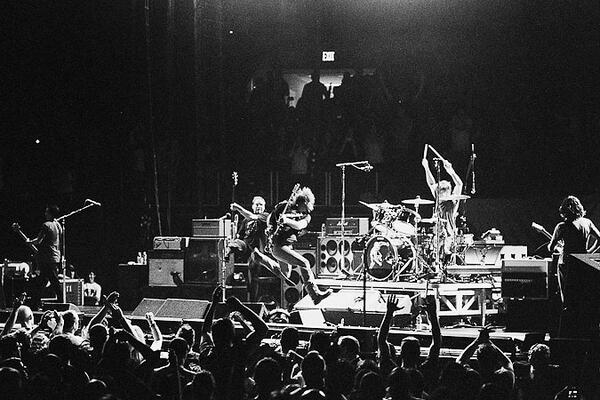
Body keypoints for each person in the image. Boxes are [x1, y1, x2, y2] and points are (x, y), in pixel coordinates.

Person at [251, 187, 332, 304]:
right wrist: (270, 228)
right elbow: (270, 218)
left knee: (285, 274)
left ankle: (261, 259)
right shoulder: (285, 206)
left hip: (287, 246)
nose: (307, 209)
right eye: (306, 205)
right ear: (302, 202)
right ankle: (315, 295)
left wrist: (286, 220)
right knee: (305, 263)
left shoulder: (306, 216)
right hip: (278, 245)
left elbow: (299, 226)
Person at [548, 195, 600, 336]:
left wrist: (560, 247)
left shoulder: (562, 226)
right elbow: (599, 239)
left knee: (567, 300)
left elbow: (551, 248)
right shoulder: (587, 223)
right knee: (582, 297)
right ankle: (583, 331)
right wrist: (590, 251)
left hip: (567, 264)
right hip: (583, 263)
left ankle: (567, 333)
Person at [422, 149, 463, 259]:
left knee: (446, 251)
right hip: (438, 231)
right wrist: (426, 167)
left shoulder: (453, 200)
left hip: (449, 233)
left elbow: (459, 184)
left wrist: (451, 171)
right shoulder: (438, 199)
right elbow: (431, 183)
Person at [230, 196, 270, 301]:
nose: (259, 206)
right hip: (246, 246)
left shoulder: (265, 216)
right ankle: (227, 255)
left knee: (253, 273)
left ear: (264, 207)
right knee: (235, 243)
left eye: (261, 204)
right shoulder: (245, 221)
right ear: (252, 206)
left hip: (257, 249)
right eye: (257, 204)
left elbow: (252, 216)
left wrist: (238, 208)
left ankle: (253, 300)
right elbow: (240, 235)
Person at [27, 205, 63, 306]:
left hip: (47, 258)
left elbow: (39, 240)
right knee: (43, 281)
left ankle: (62, 301)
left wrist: (30, 242)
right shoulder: (58, 225)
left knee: (52, 281)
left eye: (47, 212)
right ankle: (36, 302)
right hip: (55, 256)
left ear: (51, 214)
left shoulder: (46, 225)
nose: (45, 213)